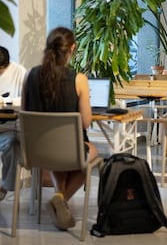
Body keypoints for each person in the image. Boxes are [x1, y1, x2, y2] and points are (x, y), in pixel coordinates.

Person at [22, 27, 98, 231]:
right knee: (92, 154)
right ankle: (60, 198)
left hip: (36, 152)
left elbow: (24, 113)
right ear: (72, 48)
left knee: (61, 156)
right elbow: (85, 122)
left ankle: (59, 197)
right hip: (69, 152)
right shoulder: (78, 79)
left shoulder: (30, 75)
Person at [0, 46, 26, 201]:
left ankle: (5, 186)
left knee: (11, 143)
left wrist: (5, 101)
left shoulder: (19, 72)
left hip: (12, 123)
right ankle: (6, 186)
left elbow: (26, 98)